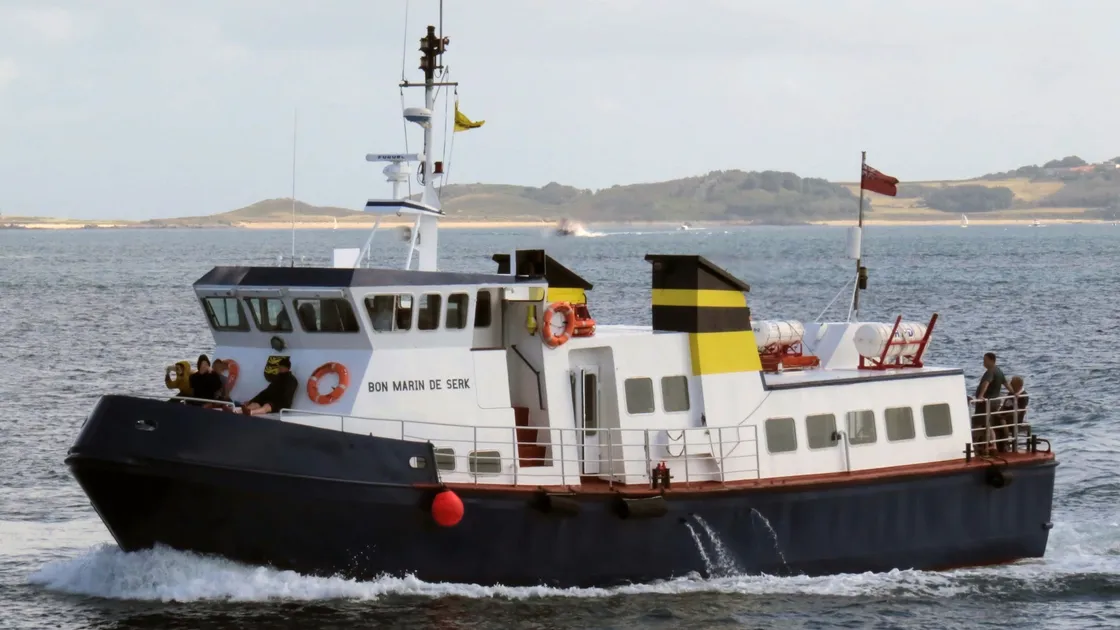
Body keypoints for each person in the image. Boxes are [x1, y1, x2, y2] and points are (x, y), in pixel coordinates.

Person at [971, 352, 1009, 454]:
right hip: (994, 402)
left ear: (992, 361)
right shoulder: (999, 371)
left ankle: (974, 446)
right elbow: (1006, 383)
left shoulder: (990, 372)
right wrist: (1014, 393)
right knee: (988, 424)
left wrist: (980, 396)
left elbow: (986, 383)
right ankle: (993, 444)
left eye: (985, 360)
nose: (983, 362)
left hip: (986, 403)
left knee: (978, 423)